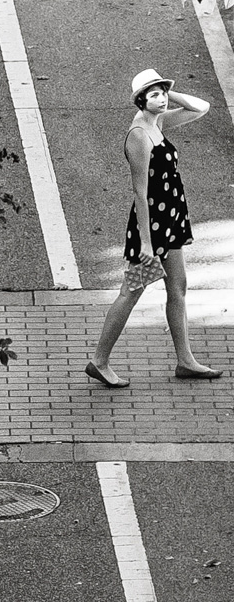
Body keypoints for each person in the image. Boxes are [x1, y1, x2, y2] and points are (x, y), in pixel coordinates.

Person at [86, 69, 221, 388]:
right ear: (140, 100)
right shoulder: (139, 135)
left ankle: (185, 361)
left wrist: (166, 91)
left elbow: (200, 107)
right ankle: (99, 361)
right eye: (154, 94)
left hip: (170, 220)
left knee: (178, 287)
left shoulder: (156, 122)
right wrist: (147, 243)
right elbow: (140, 191)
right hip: (154, 228)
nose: (161, 98)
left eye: (162, 92)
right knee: (131, 292)